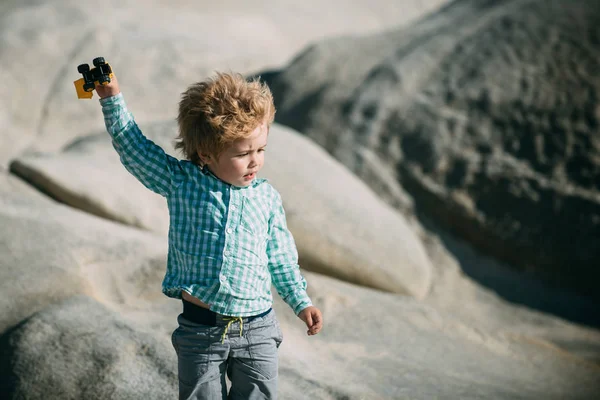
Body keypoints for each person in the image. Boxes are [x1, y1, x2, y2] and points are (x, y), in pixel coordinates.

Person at [94, 70, 323, 400]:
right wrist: (111, 99)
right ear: (205, 153)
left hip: (257, 328)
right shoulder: (182, 182)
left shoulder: (266, 197)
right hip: (201, 330)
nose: (255, 161)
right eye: (243, 153)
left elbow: (281, 258)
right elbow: (136, 150)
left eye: (261, 150)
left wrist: (301, 301)